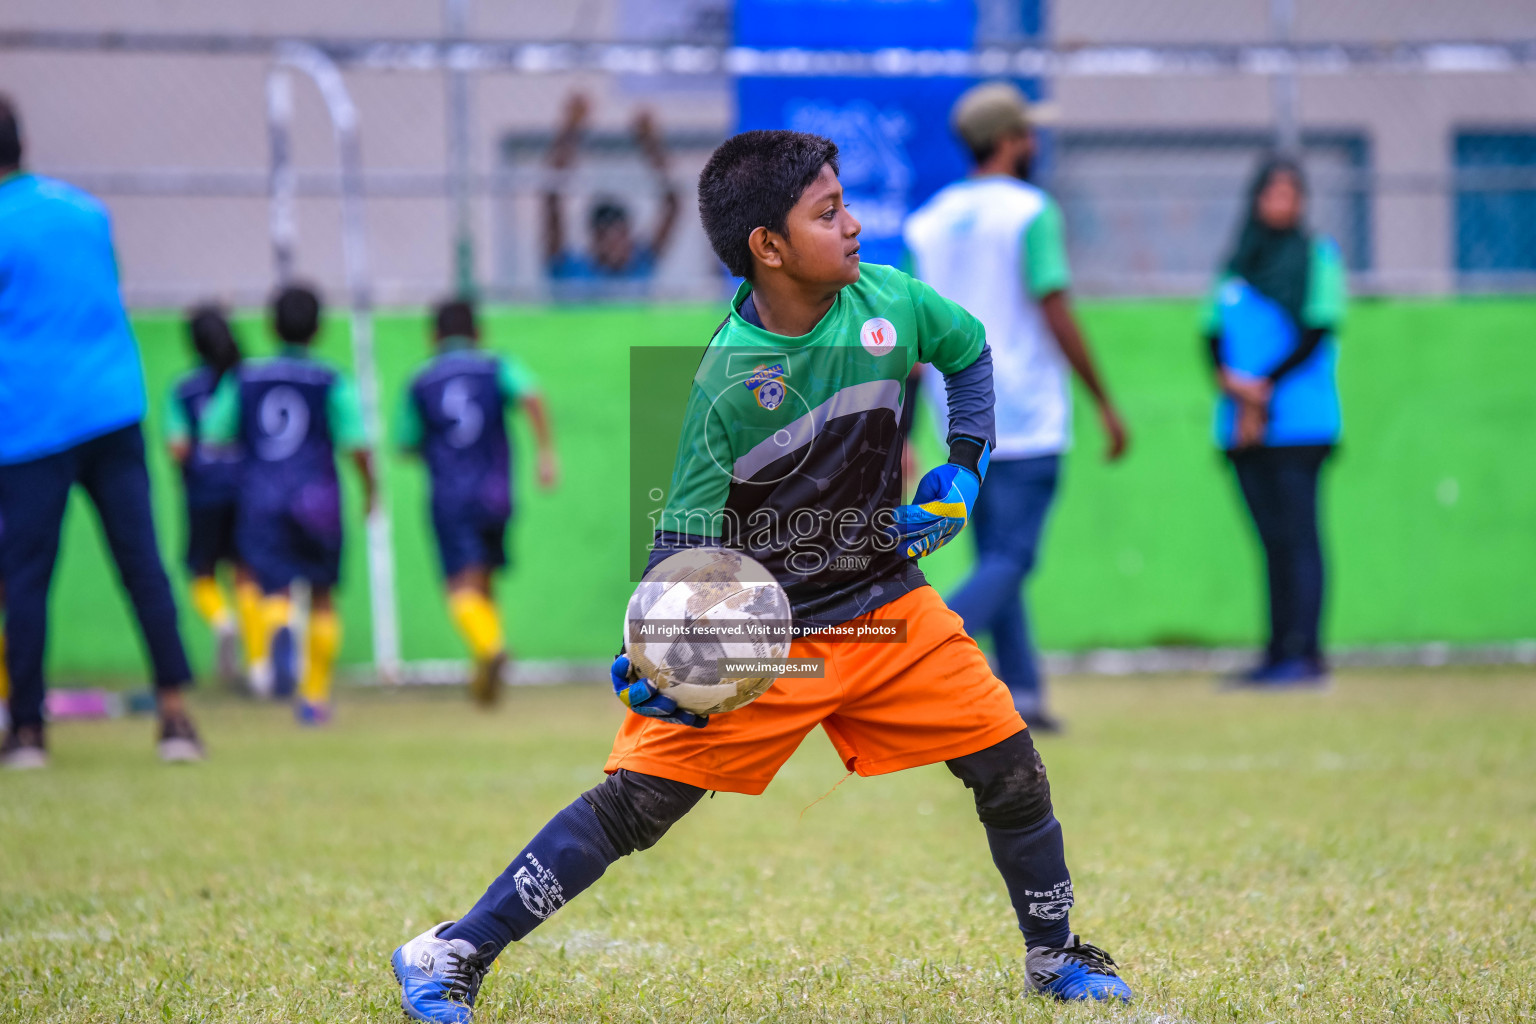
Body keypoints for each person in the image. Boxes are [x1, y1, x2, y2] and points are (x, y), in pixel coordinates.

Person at [387, 130, 1132, 1023]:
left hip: (886, 606)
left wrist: (964, 469)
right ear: (768, 248)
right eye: (829, 213)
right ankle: (452, 951)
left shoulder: (887, 301)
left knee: (1009, 764)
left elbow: (968, 351)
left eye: (846, 202)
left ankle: (1054, 958)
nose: (854, 225)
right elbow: (679, 544)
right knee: (639, 805)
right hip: (765, 636)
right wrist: (653, 651)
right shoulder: (722, 382)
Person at [903, 82, 1130, 731]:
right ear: (1008, 142)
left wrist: (900, 427)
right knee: (1014, 557)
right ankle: (927, 651)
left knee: (996, 554)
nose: (1034, 143)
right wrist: (1104, 401)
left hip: (956, 416)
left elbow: (917, 337)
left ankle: (1022, 693)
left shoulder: (930, 221)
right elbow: (1053, 307)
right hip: (1026, 412)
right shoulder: (1032, 212)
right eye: (1027, 133)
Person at [0, 94, 204, 768]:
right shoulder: (87, 212)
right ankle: (176, 718)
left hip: (29, 422)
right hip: (113, 406)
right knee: (142, 565)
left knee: (26, 577)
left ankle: (26, 732)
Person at [200, 284, 377, 723]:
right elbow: (356, 442)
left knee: (271, 585)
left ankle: (278, 624)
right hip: (317, 497)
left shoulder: (244, 378)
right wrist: (371, 489)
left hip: (261, 495)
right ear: (318, 329)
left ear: (270, 325)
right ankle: (314, 700)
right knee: (322, 595)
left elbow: (213, 434)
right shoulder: (331, 379)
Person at [1205, 155, 1345, 687]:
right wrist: (1232, 384)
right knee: (1270, 541)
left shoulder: (1316, 257)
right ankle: (1274, 653)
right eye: (1272, 193)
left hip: (1299, 424)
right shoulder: (1236, 265)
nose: (1281, 203)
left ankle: (1306, 655)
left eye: (1291, 194)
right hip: (1242, 425)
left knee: (1300, 537)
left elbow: (1318, 331)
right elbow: (1209, 331)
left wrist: (1262, 387)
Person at [395, 299, 559, 706]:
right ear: (479, 333)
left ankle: (490, 647)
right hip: (495, 493)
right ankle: (483, 675)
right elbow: (532, 395)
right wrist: (545, 453)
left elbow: (405, 444)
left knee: (459, 586)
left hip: (451, 495)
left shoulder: (420, 381)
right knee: (483, 578)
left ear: (433, 336)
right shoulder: (496, 365)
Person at [164, 305, 266, 687]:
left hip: (203, 492)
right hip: (248, 489)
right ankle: (259, 666)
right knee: (248, 574)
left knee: (201, 571)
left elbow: (177, 448)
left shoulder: (184, 390)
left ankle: (222, 621)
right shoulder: (249, 382)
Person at [542, 93, 679, 298]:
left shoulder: (639, 269)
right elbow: (551, 198)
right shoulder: (571, 273)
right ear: (595, 239)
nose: (620, 246)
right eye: (611, 238)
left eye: (623, 236)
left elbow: (672, 206)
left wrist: (650, 143)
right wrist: (570, 130)